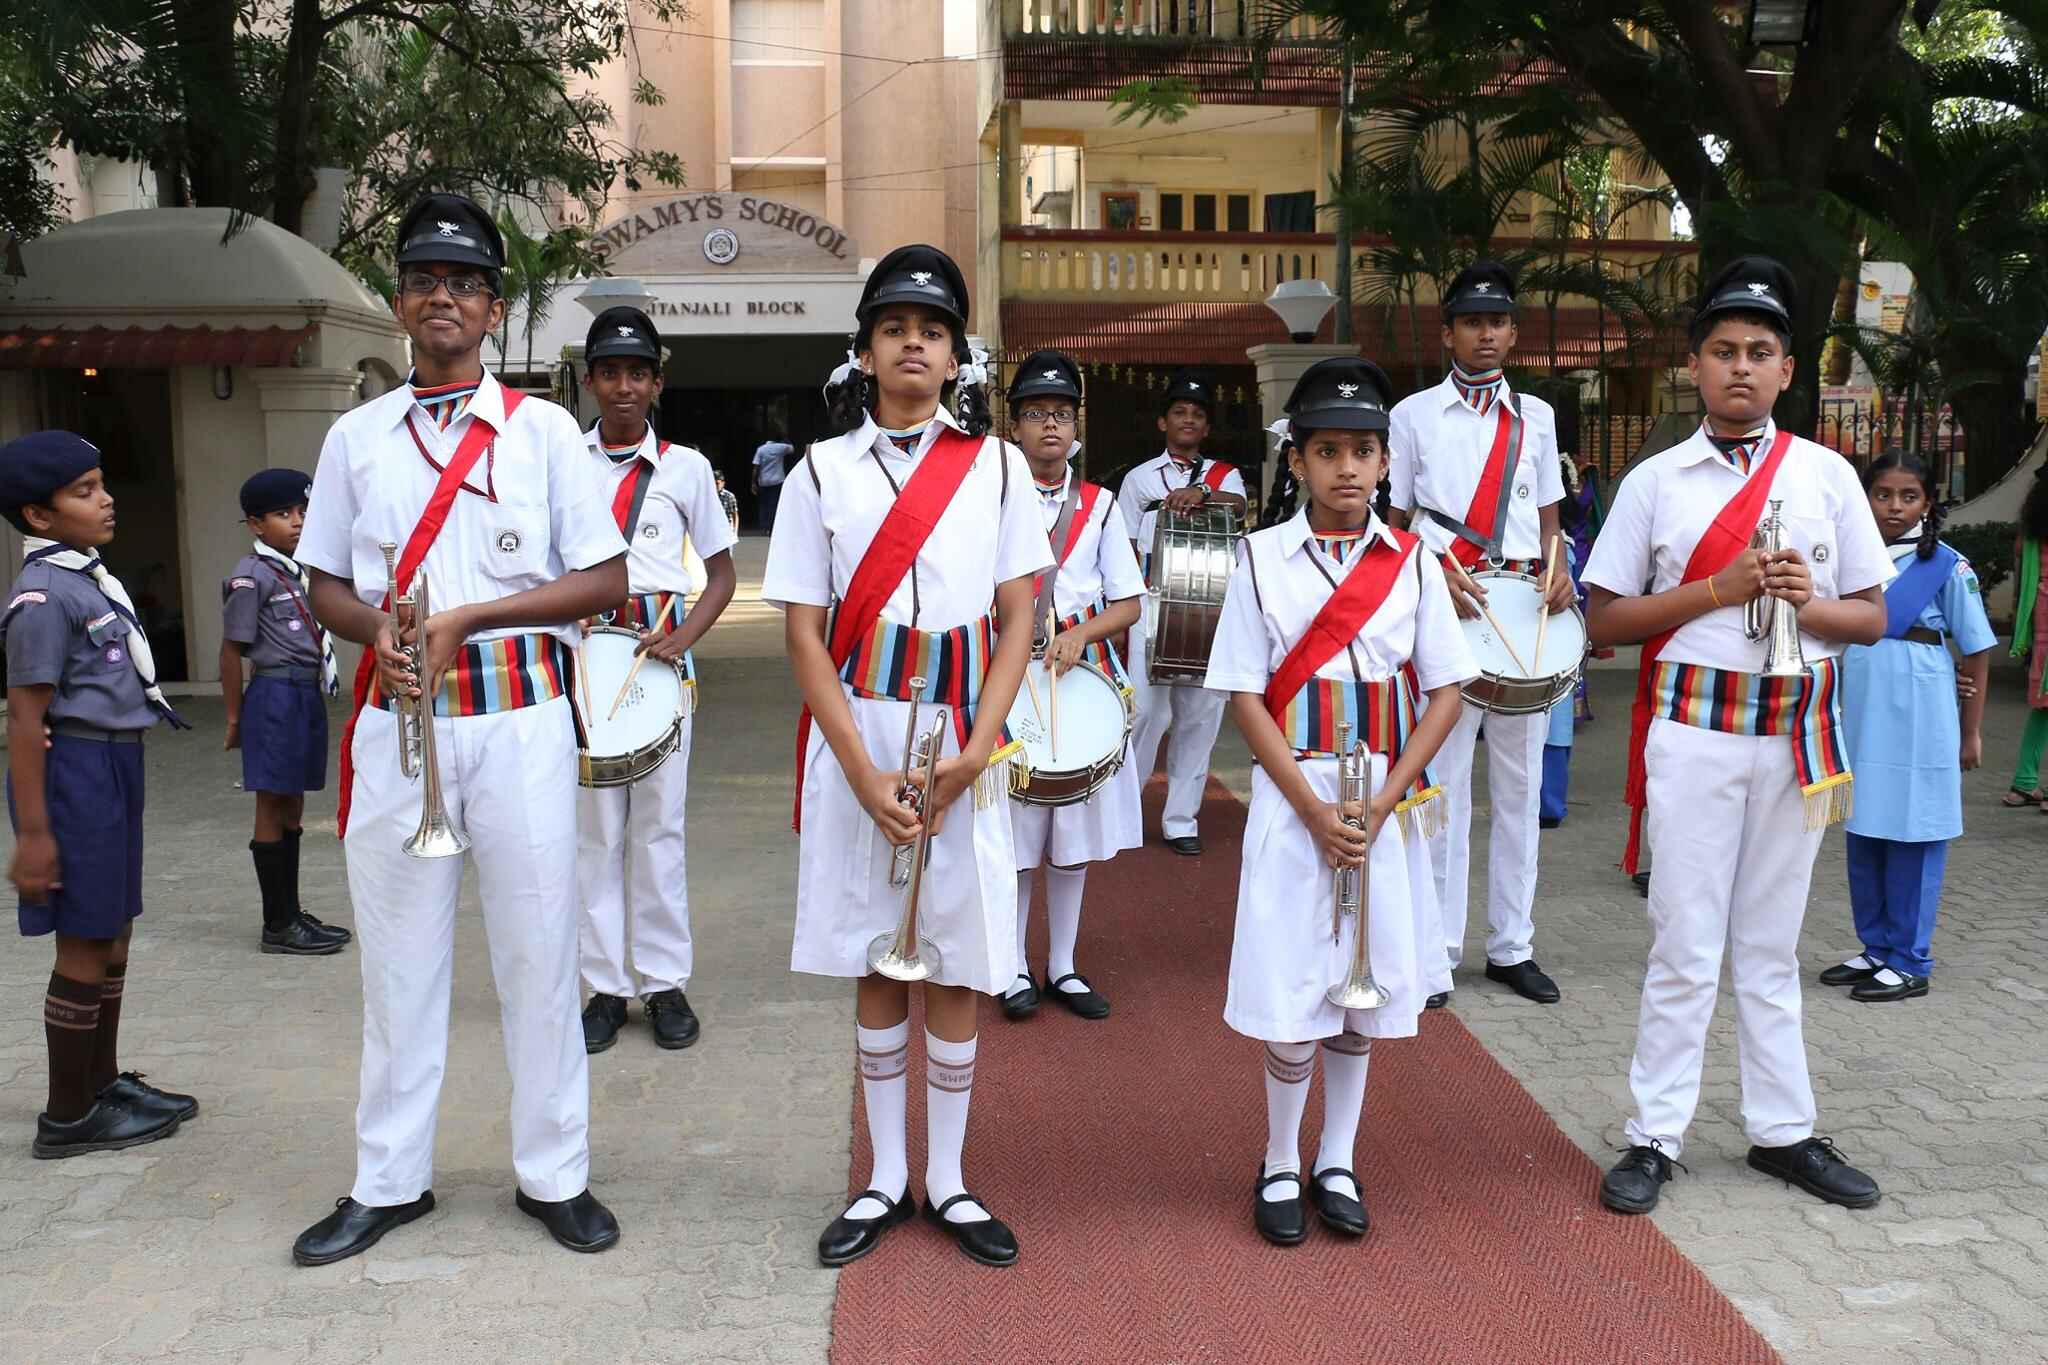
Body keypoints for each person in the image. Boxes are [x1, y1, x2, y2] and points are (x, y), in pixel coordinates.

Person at [290, 192, 629, 1266]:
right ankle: (388, 1181)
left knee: (538, 958)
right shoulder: (355, 437)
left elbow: (606, 579)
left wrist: (472, 614)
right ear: (399, 302)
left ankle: (554, 1174)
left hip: (521, 718)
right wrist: (375, 635)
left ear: (493, 311)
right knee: (397, 966)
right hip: (404, 731)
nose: (445, 296)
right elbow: (326, 582)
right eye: (426, 279)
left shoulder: (542, 434)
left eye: (467, 283)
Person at [1584, 255, 1892, 1217]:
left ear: (1789, 369)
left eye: (1761, 352)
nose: (1742, 369)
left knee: (1770, 944)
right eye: (1724, 351)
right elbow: (1602, 622)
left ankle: (1783, 1130)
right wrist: (1719, 590)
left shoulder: (1829, 474)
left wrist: (1814, 600)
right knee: (1684, 939)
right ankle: (1654, 1132)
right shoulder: (1655, 481)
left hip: (1795, 737)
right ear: (1695, 365)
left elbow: (1874, 617)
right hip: (1695, 730)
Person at [762, 244, 1050, 1270]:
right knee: (877, 951)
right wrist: (855, 768)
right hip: (866, 734)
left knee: (958, 954)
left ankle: (951, 1180)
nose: (912, 344)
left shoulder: (1001, 467)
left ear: (956, 353)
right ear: (866, 349)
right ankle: (886, 1176)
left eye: (930, 330)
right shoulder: (820, 472)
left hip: (962, 734)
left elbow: (1020, 615)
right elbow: (803, 631)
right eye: (893, 329)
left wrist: (978, 749)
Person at [1204, 357, 1474, 1245]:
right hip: (1299, 797)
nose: (1348, 468)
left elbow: (1444, 690)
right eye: (1328, 451)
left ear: (1387, 462)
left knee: (1362, 988)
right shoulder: (1257, 558)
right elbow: (1245, 693)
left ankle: (1338, 1157)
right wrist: (1313, 809)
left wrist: (1388, 800)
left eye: (1364, 450)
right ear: (1299, 462)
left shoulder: (1416, 564)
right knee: (1294, 981)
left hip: (1381, 804)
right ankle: (1281, 1156)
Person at [1, 429, 198, 1158]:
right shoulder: (44, 595)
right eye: (84, 490)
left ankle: (102, 1082)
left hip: (113, 765)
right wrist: (35, 832)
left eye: (103, 481)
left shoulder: (85, 578)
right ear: (40, 516)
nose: (106, 498)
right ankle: (66, 1114)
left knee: (112, 927)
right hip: (76, 772)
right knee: (84, 936)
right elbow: (24, 717)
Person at [1387, 259, 1574, 1008]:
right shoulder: (1411, 417)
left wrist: (1562, 574)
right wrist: (1432, 579)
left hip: (1525, 612)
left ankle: (1511, 946)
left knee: (1521, 789)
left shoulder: (1538, 416)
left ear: (1514, 332)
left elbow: (1552, 516)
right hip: (1448, 606)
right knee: (1444, 787)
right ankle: (1437, 952)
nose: (1486, 333)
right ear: (1448, 332)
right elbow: (1396, 527)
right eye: (1472, 321)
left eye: (1498, 322)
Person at [575, 307, 738, 1052]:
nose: (623, 386)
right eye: (609, 371)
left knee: (660, 828)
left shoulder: (687, 468)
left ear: (656, 382)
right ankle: (605, 986)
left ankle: (665, 980)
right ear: (590, 380)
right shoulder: (561, 461)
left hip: (661, 664)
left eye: (636, 372)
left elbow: (722, 572)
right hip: (584, 667)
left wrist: (684, 637)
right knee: (595, 833)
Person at [999, 349, 1145, 1023]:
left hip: (1081, 682)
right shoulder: (991, 500)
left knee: (1073, 832)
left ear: (1075, 424)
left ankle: (1063, 964)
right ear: (1014, 428)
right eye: (1035, 414)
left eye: (1060, 413)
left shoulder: (1103, 505)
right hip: (1012, 683)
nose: (1049, 426)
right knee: (1019, 832)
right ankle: (1011, 964)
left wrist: (1083, 633)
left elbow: (1130, 602)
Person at [1824, 453, 1996, 1003]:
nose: (1894, 507)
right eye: (1882, 494)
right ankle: (1875, 947)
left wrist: (1972, 732)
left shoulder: (1946, 566)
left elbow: (1977, 651)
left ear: (1928, 502)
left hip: (1921, 715)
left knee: (1914, 832)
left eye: (1908, 496)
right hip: (1865, 711)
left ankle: (1911, 958)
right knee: (1866, 828)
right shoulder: (1851, 563)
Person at [1115, 369, 1248, 855]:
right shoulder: (1138, 479)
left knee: (1199, 717)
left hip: (1210, 609)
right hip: (1152, 603)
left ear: (1206, 428)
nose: (1188, 420)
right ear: (1162, 422)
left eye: (1197, 414)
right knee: (1145, 712)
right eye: (1179, 412)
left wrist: (1204, 494)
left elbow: (1237, 508)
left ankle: (1180, 821)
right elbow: (1124, 546)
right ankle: (1123, 809)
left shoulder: (1223, 476)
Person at [220, 468, 351, 957]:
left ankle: (291, 910)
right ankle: (277, 923)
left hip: (302, 695)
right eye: (283, 514)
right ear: (255, 525)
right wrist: (234, 718)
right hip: (274, 696)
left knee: (293, 802)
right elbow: (231, 651)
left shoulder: (295, 572)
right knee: (272, 803)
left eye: (303, 512)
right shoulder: (251, 577)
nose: (297, 523)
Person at [2001, 466, 2048, 808]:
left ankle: (2023, 783)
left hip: (2041, 611)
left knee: (2044, 705)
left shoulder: (2032, 529)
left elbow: (2019, 550)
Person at [752, 431, 793, 531]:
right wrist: (786, 439)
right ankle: (773, 525)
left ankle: (764, 526)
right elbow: (792, 449)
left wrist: (753, 482)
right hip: (778, 480)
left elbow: (756, 467)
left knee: (763, 504)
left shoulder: (760, 449)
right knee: (774, 503)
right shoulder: (781, 447)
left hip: (764, 481)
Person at [716, 471, 740, 536]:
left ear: (723, 483)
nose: (715, 486)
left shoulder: (729, 496)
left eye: (717, 483)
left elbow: (734, 514)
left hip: (726, 528)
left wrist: (735, 531)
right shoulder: (707, 495)